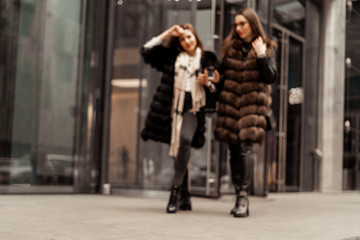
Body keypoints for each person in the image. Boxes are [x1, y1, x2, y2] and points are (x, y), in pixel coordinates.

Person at [140, 23, 220, 213]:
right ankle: (185, 198)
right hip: (172, 109)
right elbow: (146, 50)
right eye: (183, 39)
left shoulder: (208, 58)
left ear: (196, 37)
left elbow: (216, 90)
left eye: (189, 37)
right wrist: (168, 33)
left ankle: (174, 193)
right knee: (178, 152)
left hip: (193, 108)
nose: (187, 42)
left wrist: (210, 83)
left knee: (184, 140)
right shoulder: (172, 58)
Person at [214, 8, 278, 217]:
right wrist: (216, 81)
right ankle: (237, 193)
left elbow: (270, 77)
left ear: (252, 23)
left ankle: (244, 197)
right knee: (234, 153)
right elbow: (223, 77)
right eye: (236, 25)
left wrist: (261, 55)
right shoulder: (230, 48)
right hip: (231, 107)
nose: (238, 28)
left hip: (252, 108)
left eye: (242, 24)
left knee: (245, 149)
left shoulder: (266, 46)